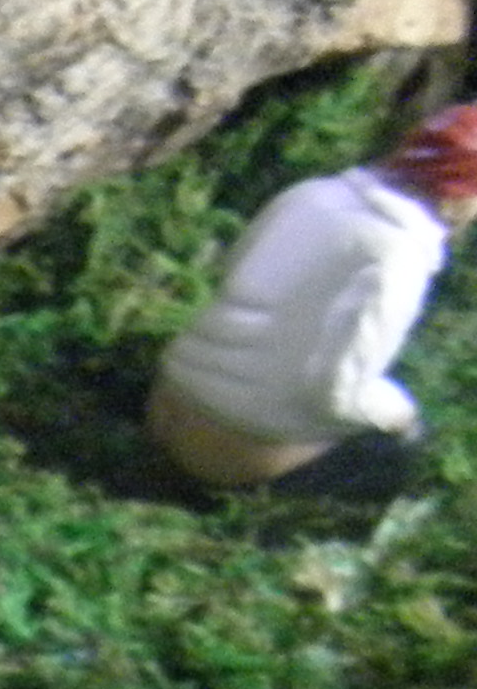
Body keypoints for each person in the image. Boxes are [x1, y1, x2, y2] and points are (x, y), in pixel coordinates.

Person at [150, 104, 477, 498]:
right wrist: (400, 413)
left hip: (168, 393)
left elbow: (229, 276)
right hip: (231, 444)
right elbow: (336, 392)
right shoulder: (397, 257)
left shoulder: (310, 194)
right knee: (397, 448)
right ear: (460, 195)